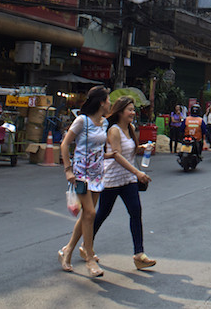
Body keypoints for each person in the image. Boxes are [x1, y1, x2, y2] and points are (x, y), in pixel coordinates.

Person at [94, 96, 155, 270]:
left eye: (133, 110)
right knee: (102, 214)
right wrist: (137, 172)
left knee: (136, 212)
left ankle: (139, 254)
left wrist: (143, 148)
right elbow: (117, 155)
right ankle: (86, 245)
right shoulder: (113, 130)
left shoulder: (131, 128)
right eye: (130, 109)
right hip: (113, 178)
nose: (133, 113)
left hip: (128, 179)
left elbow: (131, 149)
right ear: (120, 112)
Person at [59, 86, 110, 278]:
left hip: (98, 174)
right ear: (101, 102)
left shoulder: (104, 124)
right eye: (108, 100)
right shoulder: (82, 121)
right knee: (90, 213)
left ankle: (67, 250)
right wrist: (68, 169)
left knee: (86, 216)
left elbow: (100, 149)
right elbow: (65, 144)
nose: (110, 104)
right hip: (81, 174)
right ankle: (89, 257)